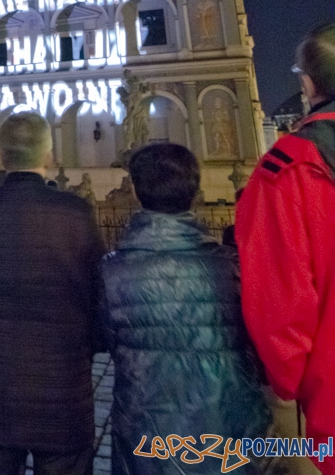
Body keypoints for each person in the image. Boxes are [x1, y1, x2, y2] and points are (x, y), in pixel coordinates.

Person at [0, 111, 106, 475]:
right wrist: (82, 346)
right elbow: (101, 300)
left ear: (2, 157)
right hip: (63, 394)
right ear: (48, 155)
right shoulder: (77, 214)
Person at [102, 143, 269, 472]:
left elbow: (101, 338)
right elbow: (261, 341)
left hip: (146, 430)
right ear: (195, 191)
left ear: (135, 191)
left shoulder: (111, 270)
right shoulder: (233, 265)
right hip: (227, 423)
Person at [236, 22, 335, 468]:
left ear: (308, 83)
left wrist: (282, 393)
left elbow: (279, 301)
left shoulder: (290, 166)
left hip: (324, 407)